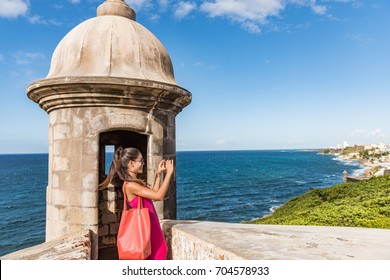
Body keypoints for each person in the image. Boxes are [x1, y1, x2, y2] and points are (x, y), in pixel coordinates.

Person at [99, 147, 174, 260]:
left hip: (150, 225)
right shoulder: (131, 185)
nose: (143, 163)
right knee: (158, 254)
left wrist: (158, 175)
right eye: (141, 161)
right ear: (131, 163)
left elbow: (153, 195)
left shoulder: (134, 183)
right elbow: (159, 196)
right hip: (147, 227)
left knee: (159, 253)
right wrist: (169, 174)